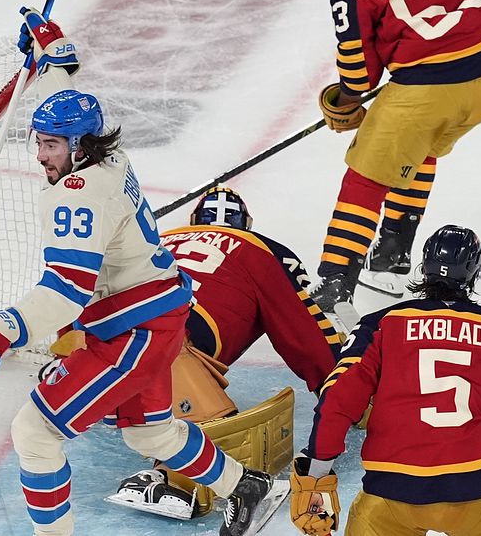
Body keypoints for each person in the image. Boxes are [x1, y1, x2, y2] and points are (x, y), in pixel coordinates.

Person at [0, 9, 277, 536]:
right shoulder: (110, 153)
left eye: (50, 146)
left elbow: (66, 292)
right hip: (158, 314)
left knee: (34, 432)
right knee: (151, 436)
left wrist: (4, 327)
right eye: (39, 142)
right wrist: (51, 57)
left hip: (133, 331)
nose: (40, 156)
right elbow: (71, 99)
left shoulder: (77, 196)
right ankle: (246, 486)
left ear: (78, 148)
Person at [288, 225, 481, 536]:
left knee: (372, 515)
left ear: (425, 266)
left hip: (393, 489)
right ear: (475, 273)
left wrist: (316, 474)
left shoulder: (379, 325)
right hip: (479, 490)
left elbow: (338, 399)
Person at [92, 186, 343, 518]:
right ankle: (177, 477)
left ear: (194, 220)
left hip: (98, 339)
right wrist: (343, 381)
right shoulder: (262, 249)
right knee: (167, 345)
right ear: (246, 224)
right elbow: (303, 328)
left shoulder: (160, 238)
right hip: (170, 345)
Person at [310, 0, 481, 310]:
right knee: (420, 147)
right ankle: (390, 257)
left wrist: (345, 102)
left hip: (428, 92)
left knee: (365, 180)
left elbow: (360, 73)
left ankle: (335, 285)